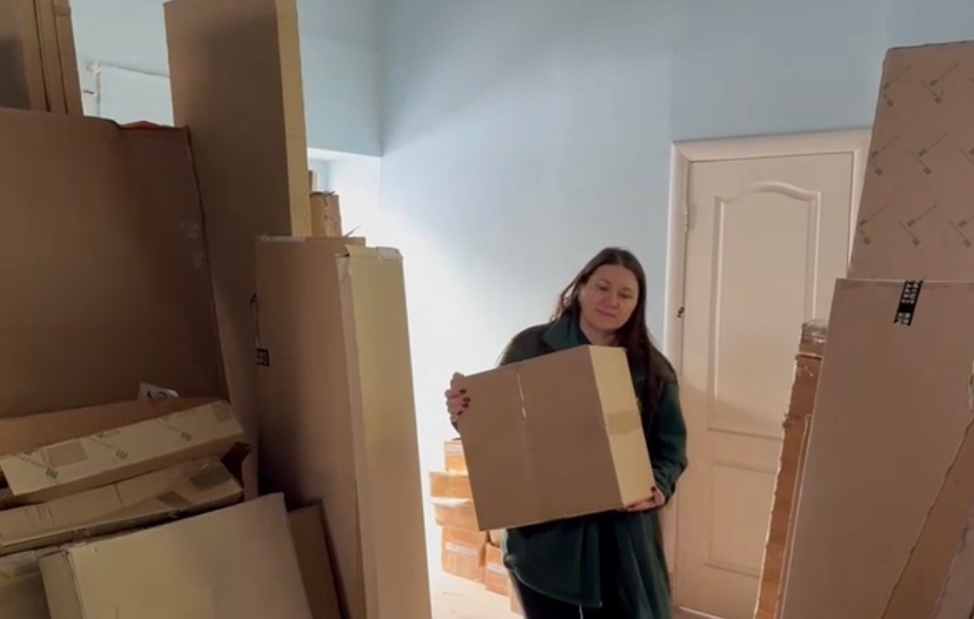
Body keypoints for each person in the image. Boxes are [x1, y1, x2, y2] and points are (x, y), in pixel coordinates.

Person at [444, 247, 688, 619]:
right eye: (602, 287)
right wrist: (463, 412)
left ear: (637, 304)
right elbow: (498, 426)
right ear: (580, 288)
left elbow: (670, 449)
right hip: (544, 537)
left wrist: (656, 484)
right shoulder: (531, 347)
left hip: (620, 538)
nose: (612, 301)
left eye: (625, 294)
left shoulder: (652, 370)